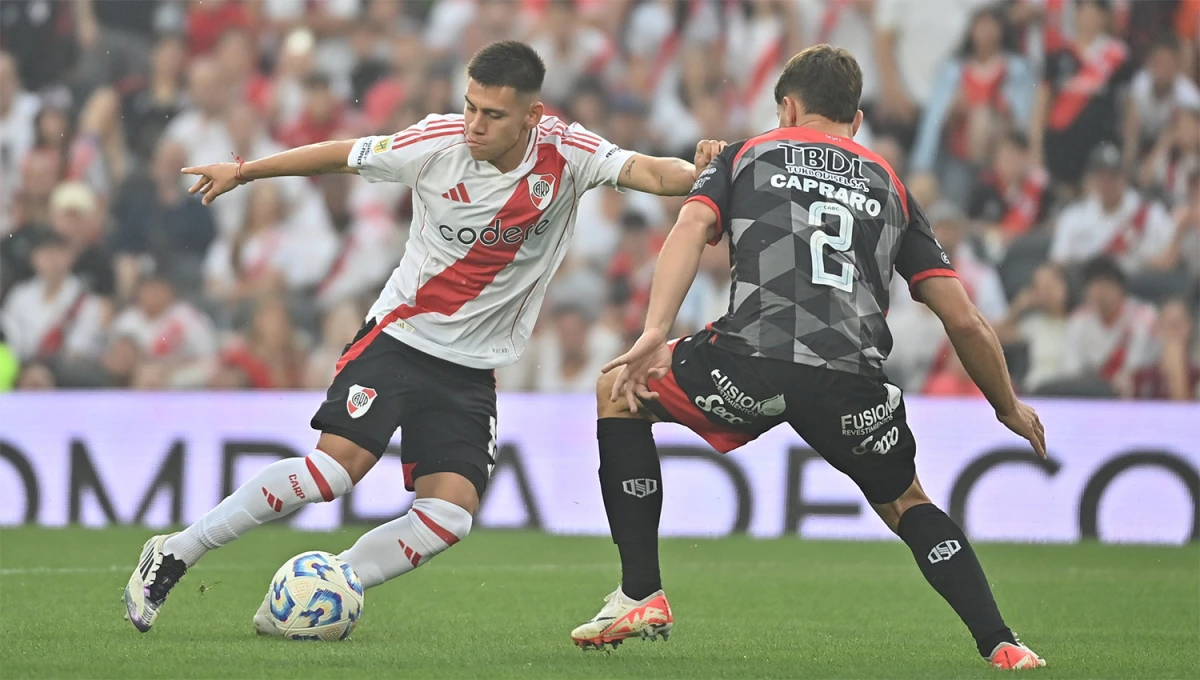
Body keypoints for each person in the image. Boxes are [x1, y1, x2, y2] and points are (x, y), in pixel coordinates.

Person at [121, 40, 722, 636]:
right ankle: (175, 551)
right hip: (400, 338)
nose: (475, 125)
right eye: (470, 107)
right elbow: (342, 155)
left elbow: (649, 172)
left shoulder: (569, 151)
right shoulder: (435, 142)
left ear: (532, 116)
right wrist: (246, 170)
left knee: (449, 515)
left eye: (493, 114)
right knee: (334, 474)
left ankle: (329, 581)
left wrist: (702, 173)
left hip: (471, 367)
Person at [572, 45, 1047, 671]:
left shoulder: (748, 153)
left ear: (788, 106)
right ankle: (1002, 643)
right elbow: (963, 317)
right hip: (851, 381)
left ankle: (640, 592)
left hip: (750, 362)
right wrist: (1006, 405)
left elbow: (690, 229)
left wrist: (655, 330)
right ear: (853, 120)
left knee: (616, 392)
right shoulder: (890, 183)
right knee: (907, 501)